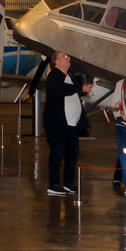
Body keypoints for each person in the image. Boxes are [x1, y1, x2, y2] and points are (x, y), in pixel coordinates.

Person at [42, 52, 91, 196]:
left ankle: (69, 183)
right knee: (57, 154)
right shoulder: (54, 75)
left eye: (69, 56)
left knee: (72, 154)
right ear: (56, 62)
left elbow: (74, 91)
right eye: (64, 56)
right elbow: (60, 90)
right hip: (57, 123)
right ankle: (54, 184)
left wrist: (83, 89)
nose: (68, 57)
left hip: (72, 124)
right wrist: (80, 88)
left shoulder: (69, 76)